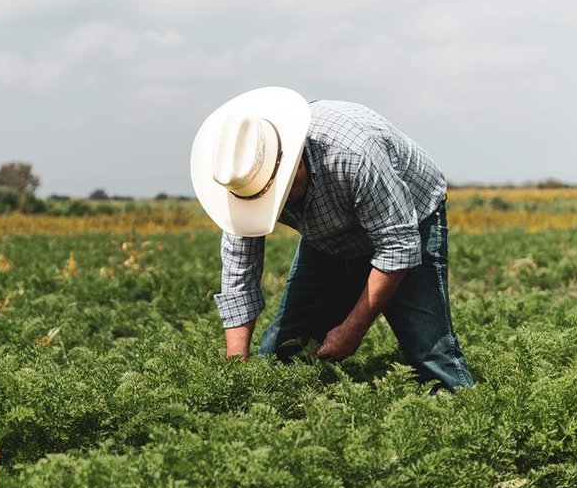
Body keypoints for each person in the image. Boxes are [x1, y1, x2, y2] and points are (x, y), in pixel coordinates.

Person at [190, 87, 473, 392]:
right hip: (328, 234)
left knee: (428, 350)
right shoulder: (240, 177)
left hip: (410, 218)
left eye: (277, 194)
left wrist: (354, 328)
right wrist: (236, 373)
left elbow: (398, 246)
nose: (276, 203)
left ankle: (459, 401)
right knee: (282, 352)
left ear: (293, 163)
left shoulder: (354, 155)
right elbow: (238, 277)